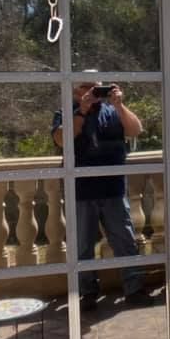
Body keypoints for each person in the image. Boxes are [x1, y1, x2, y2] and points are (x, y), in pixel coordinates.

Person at [52, 79, 151, 311]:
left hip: (113, 187)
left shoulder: (112, 111)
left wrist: (119, 105)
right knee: (82, 244)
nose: (93, 91)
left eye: (97, 87)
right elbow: (61, 139)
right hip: (80, 189)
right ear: (76, 90)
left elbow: (136, 130)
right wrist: (82, 110)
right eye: (87, 87)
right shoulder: (65, 112)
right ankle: (87, 293)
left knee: (125, 240)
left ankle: (134, 289)